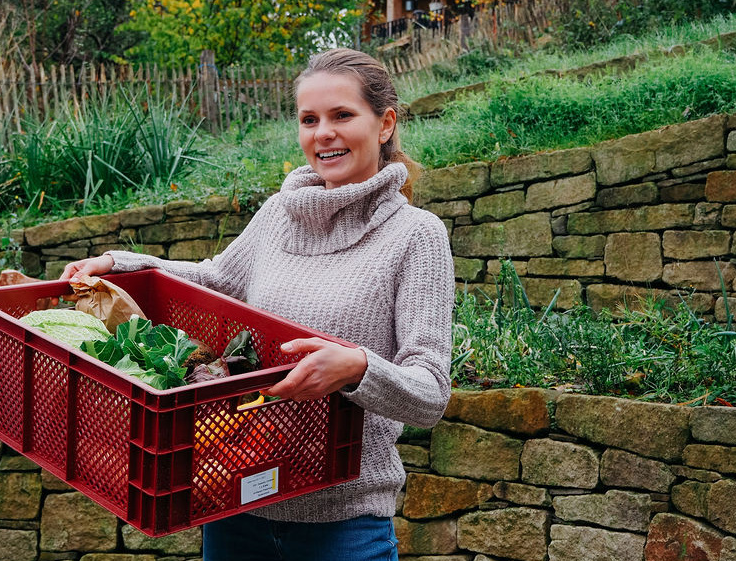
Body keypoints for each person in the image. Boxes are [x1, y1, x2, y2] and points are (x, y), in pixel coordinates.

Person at [60, 47, 454, 561]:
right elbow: (214, 281)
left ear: (385, 124)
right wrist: (118, 263)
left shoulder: (415, 235)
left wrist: (357, 367)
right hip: (235, 508)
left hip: (344, 526)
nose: (323, 133)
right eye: (309, 119)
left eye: (342, 116)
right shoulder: (278, 214)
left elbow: (429, 394)